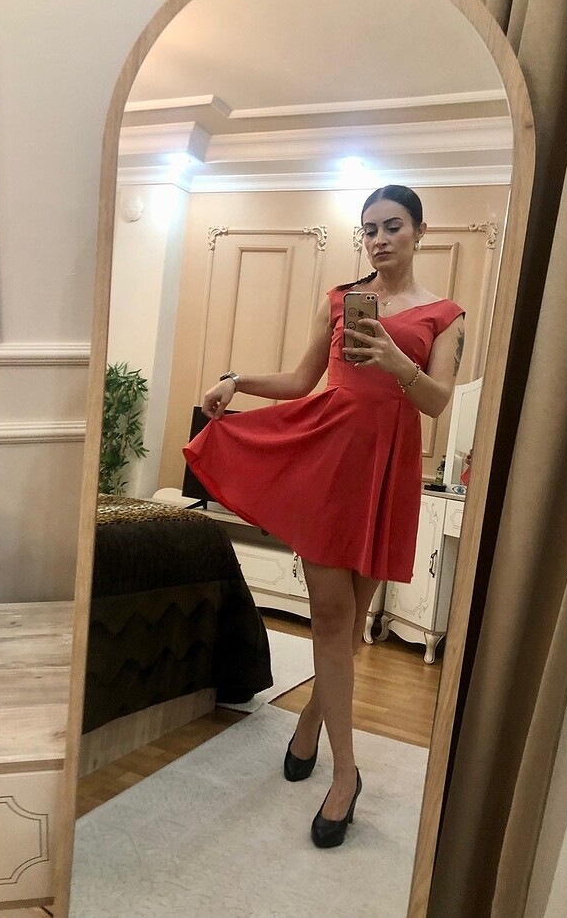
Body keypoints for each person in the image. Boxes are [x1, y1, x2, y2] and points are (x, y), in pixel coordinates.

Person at [183, 184, 465, 848]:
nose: (380, 239)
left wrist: (393, 359)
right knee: (334, 622)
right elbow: (299, 381)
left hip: (388, 471)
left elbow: (436, 402)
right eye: (370, 229)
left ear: (419, 231)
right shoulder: (339, 299)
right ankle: (346, 776)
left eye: (393, 226)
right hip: (328, 465)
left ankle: (310, 721)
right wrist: (236, 380)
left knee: (350, 625)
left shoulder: (445, 315)